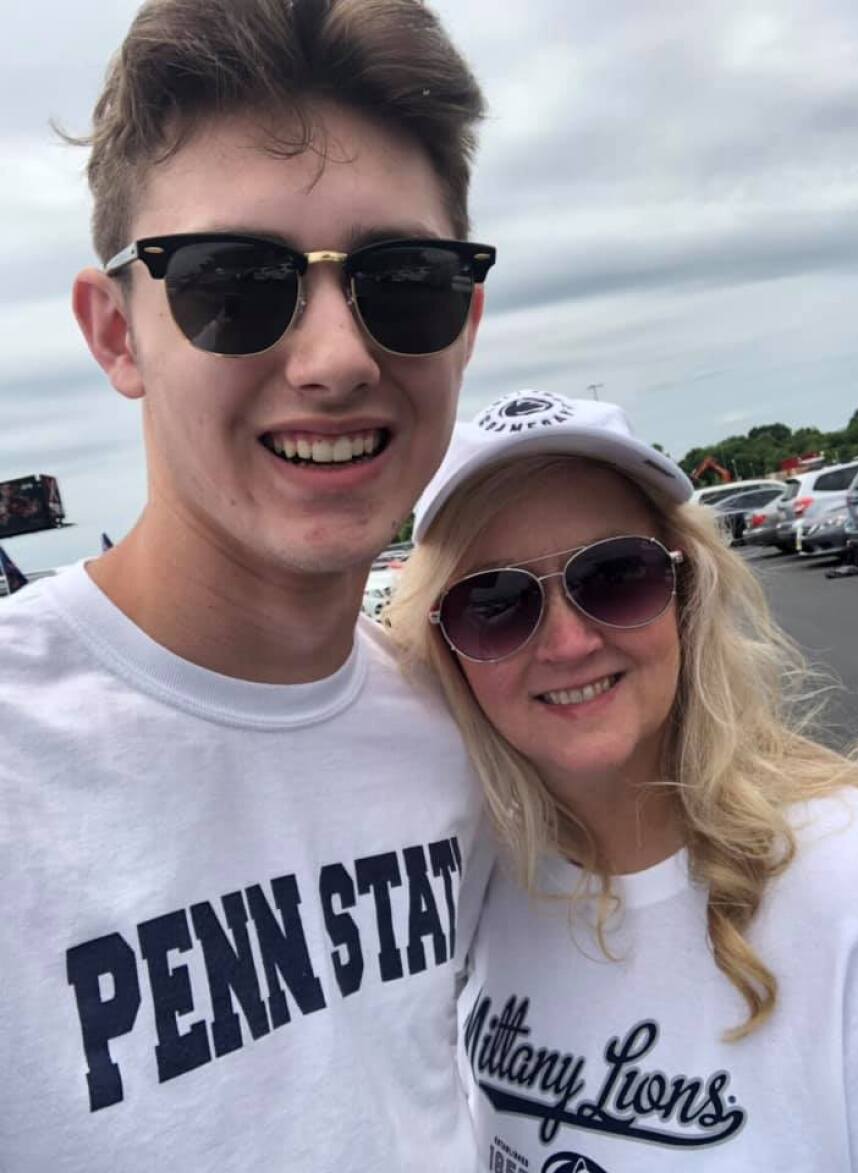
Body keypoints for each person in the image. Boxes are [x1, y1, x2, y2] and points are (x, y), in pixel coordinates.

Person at [0, 1, 497, 1168]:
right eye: (232, 282)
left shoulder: (466, 724)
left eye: (404, 280)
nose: (334, 360)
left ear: (465, 322)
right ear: (116, 333)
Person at [388, 389, 858, 1173]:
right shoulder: (475, 889)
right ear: (445, 647)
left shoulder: (852, 880)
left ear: (684, 593)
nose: (570, 641)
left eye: (616, 574)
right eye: (497, 602)